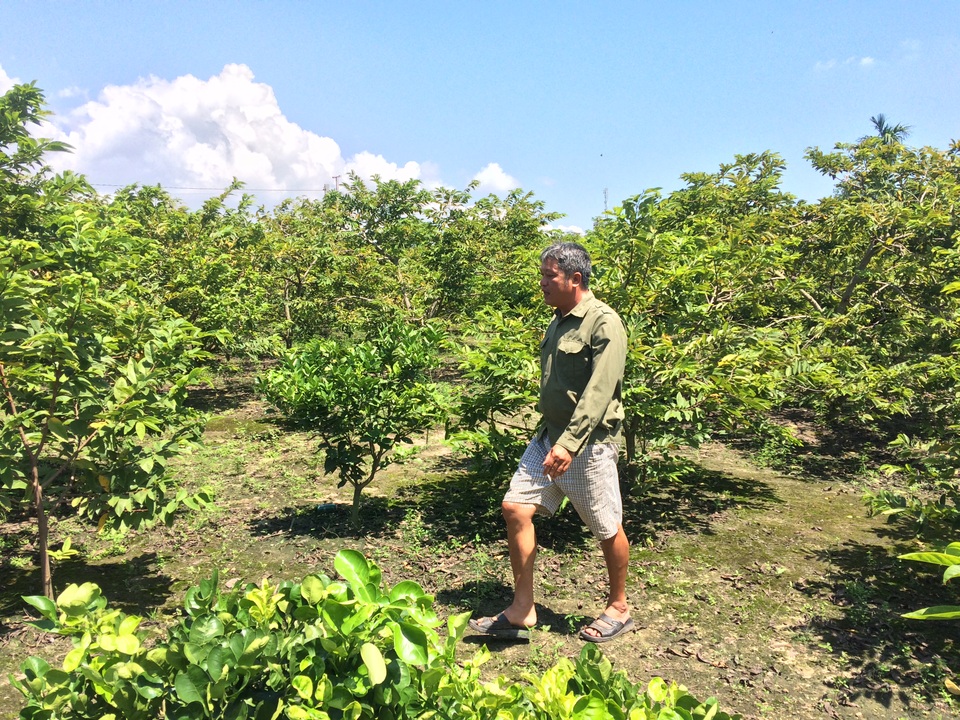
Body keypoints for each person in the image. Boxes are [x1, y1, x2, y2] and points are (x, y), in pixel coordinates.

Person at [469, 241, 632, 643]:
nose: (541, 283)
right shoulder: (558, 319)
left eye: (549, 276)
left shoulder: (604, 322)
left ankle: (620, 606)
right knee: (515, 507)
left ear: (575, 279)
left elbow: (599, 389)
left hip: (587, 443)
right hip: (550, 436)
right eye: (542, 275)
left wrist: (570, 443)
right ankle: (523, 609)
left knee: (606, 526)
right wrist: (555, 439)